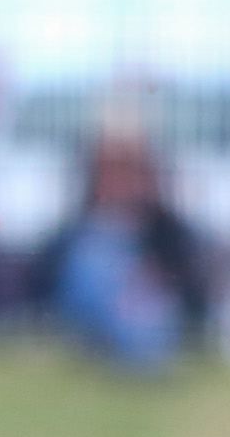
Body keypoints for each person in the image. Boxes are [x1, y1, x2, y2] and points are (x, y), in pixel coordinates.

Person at [40, 133, 208, 372]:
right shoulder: (78, 241)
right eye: (113, 174)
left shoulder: (170, 235)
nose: (123, 185)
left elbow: (192, 290)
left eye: (131, 174)